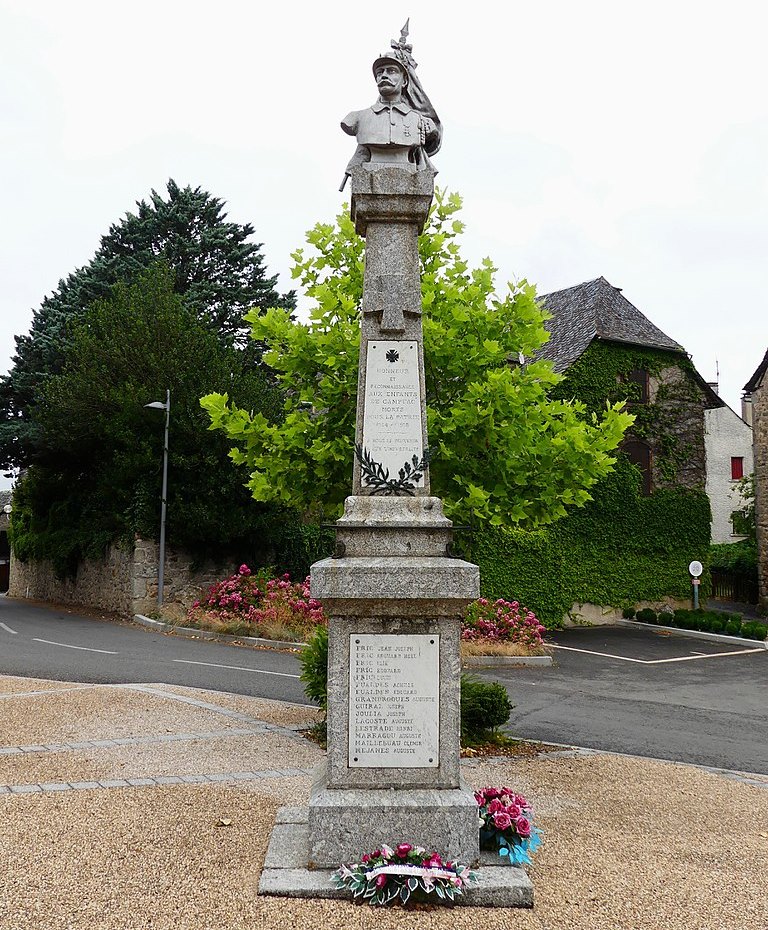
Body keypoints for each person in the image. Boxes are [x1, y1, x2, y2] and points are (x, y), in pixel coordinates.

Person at [340, 24, 442, 190]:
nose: (384, 75)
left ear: (405, 81)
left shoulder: (420, 122)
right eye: (380, 72)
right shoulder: (357, 118)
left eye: (392, 70)